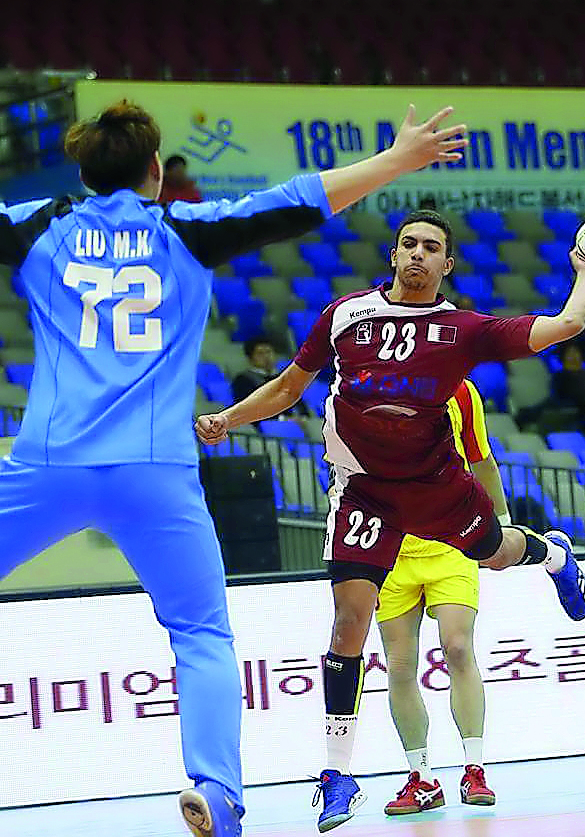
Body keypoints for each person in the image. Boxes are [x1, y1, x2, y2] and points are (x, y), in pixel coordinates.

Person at [0, 100, 467, 837]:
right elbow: (294, 202)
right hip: (155, 471)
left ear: (83, 172)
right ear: (157, 173)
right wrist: (398, 160)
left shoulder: (38, 223)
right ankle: (217, 792)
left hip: (49, 461)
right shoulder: (184, 230)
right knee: (200, 636)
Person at [196, 207, 585, 833]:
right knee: (348, 625)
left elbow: (567, 324)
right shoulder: (344, 317)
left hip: (435, 486)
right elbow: (289, 388)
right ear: (393, 255)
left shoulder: (463, 330)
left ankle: (552, 554)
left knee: (497, 551)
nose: (417, 253)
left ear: (447, 265)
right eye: (408, 244)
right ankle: (337, 777)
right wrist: (228, 418)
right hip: (363, 492)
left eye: (431, 248)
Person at [378, 378, 507, 815]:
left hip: (451, 539)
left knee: (457, 646)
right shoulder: (357, 390)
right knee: (398, 667)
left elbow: (481, 459)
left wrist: (502, 526)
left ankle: (474, 768)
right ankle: (423, 779)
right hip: (389, 546)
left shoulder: (460, 390)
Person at [232, 335, 310, 417]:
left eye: (269, 352)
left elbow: (298, 403)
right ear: (250, 358)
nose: (266, 357)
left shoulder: (284, 377)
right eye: (260, 353)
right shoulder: (243, 380)